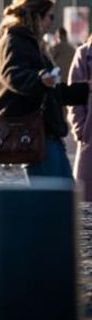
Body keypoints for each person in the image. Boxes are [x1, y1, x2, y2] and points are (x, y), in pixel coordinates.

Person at [0, 0, 89, 180]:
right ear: (36, 17)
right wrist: (39, 78)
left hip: (47, 132)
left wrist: (84, 90)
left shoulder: (32, 43)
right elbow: (13, 75)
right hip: (34, 132)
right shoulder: (15, 41)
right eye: (50, 17)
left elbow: (52, 91)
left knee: (64, 197)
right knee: (52, 200)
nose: (51, 22)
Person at [68, 38, 92, 201]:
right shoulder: (84, 54)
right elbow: (74, 96)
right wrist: (81, 130)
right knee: (85, 199)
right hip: (90, 136)